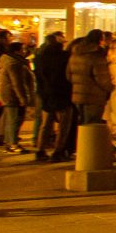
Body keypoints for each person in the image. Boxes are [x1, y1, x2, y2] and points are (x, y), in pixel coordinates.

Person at [32, 31, 73, 160]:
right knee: (63, 125)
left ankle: (40, 149)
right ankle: (58, 150)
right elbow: (68, 76)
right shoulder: (65, 57)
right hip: (62, 93)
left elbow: (38, 76)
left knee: (45, 124)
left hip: (45, 93)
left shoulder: (39, 58)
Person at [0, 41, 34, 156]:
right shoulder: (14, 63)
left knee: (11, 119)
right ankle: (12, 143)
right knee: (14, 120)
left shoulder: (11, 61)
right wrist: (23, 98)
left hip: (9, 94)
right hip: (12, 95)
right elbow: (17, 83)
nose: (24, 51)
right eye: (23, 49)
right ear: (17, 51)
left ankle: (9, 142)